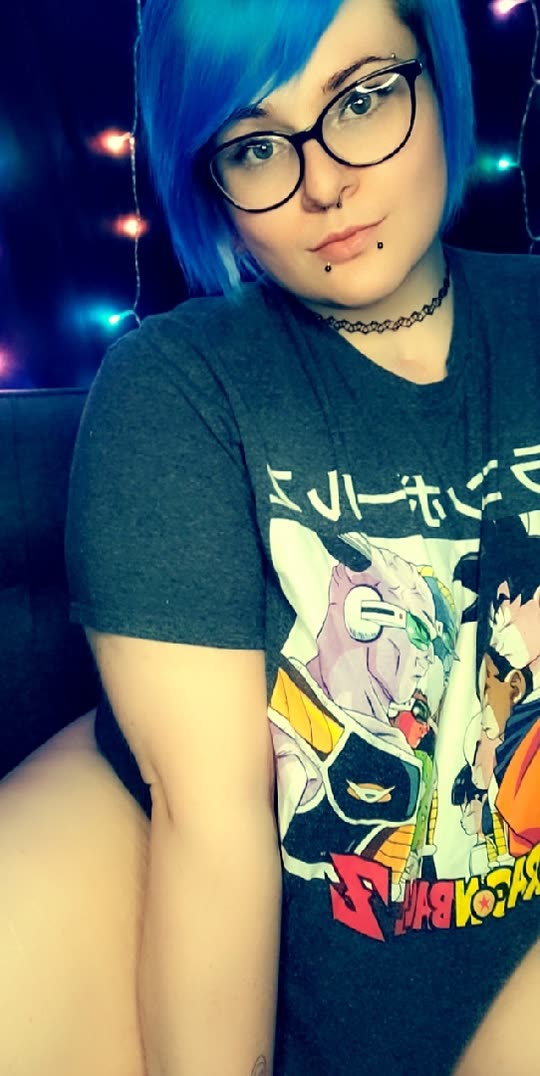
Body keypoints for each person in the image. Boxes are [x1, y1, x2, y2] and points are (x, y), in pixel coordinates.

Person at [2, 0, 539, 1074]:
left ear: (436, 74)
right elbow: (210, 821)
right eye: (255, 147)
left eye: (363, 99)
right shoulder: (180, 385)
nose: (323, 183)